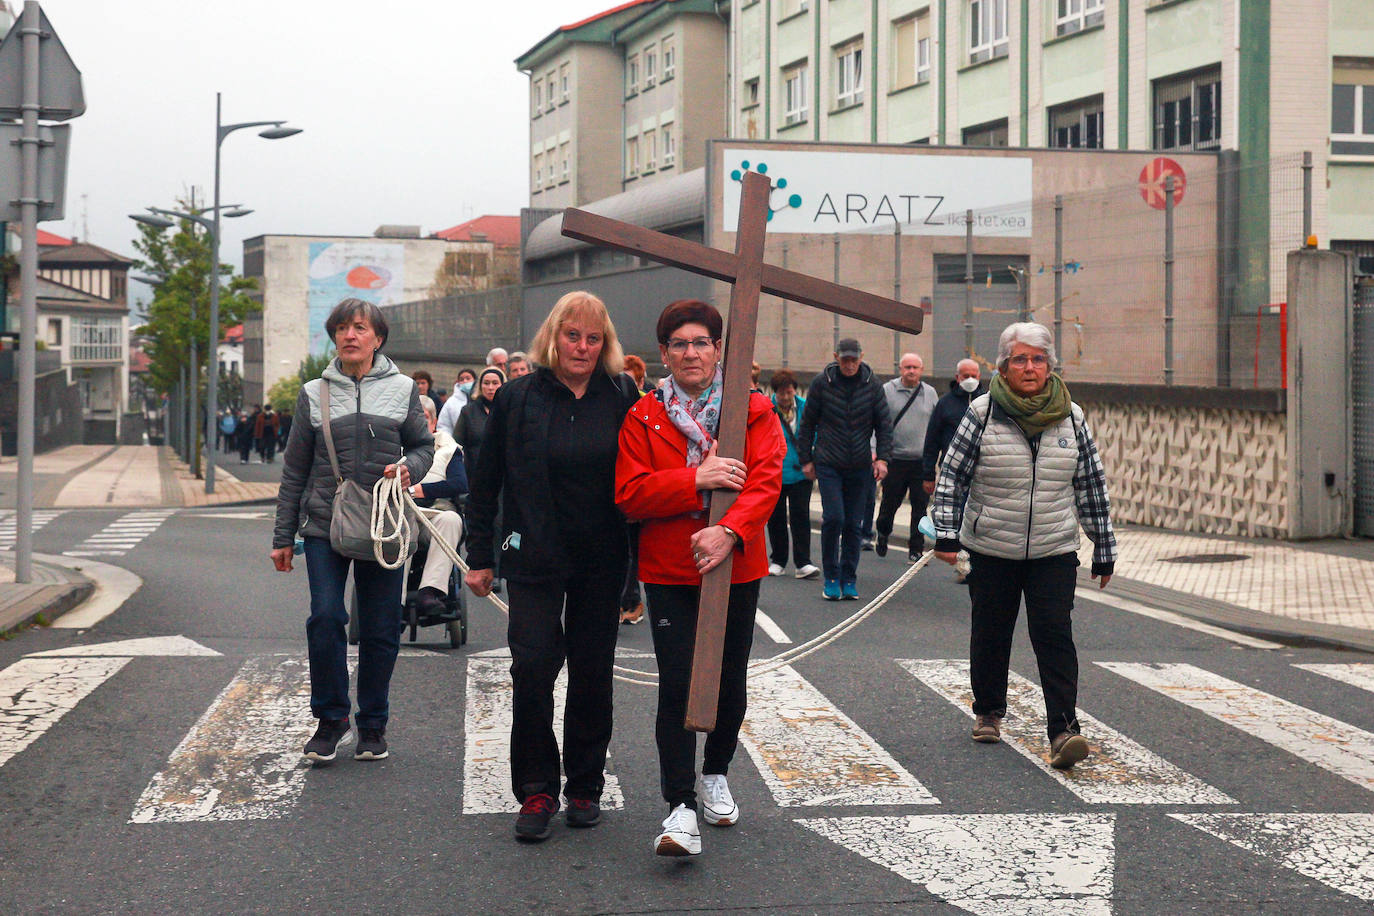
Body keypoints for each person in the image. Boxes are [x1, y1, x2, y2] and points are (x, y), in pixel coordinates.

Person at [463, 291, 638, 843]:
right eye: (572, 335)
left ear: (604, 342)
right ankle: (537, 787)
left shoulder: (622, 395)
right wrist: (480, 556)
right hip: (533, 553)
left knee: (592, 670)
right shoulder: (516, 397)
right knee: (533, 667)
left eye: (593, 338)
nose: (582, 347)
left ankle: (585, 785)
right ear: (553, 337)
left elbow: (639, 482)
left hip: (601, 557)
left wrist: (635, 574)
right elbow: (485, 481)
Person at [615, 299, 783, 858]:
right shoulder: (643, 415)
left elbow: (764, 481)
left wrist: (729, 531)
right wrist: (695, 479)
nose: (691, 353)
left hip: (736, 563)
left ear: (719, 350)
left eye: (701, 342)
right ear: (664, 353)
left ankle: (717, 772)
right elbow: (630, 493)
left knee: (731, 674)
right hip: (669, 568)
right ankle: (679, 805)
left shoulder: (755, 411)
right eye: (679, 344)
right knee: (678, 680)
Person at [931, 322, 1116, 770]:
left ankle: (1063, 730)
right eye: (1020, 359)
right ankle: (989, 711)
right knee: (991, 631)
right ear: (1004, 366)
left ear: (1050, 365)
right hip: (993, 544)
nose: (1029, 368)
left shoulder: (1072, 417)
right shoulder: (981, 413)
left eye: (1037, 359)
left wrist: (1103, 545)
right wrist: (947, 533)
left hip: (1053, 548)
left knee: (1054, 635)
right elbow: (952, 476)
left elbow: (1090, 483)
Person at [270, 298, 434, 765]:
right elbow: (294, 470)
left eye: (360, 328)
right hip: (324, 522)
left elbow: (423, 446)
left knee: (382, 628)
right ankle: (330, 719)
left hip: (384, 523)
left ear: (377, 338)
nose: (350, 335)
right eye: (342, 328)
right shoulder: (312, 393)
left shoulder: (402, 389)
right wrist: (283, 536)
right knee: (325, 618)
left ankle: (373, 724)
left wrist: (409, 468)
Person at [797, 338, 892, 601]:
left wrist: (883, 458)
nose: (849, 364)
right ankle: (831, 575)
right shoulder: (821, 383)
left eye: (854, 359)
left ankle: (849, 577)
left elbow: (884, 425)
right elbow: (807, 424)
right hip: (828, 463)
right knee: (834, 518)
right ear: (836, 357)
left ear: (861, 357)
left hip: (860, 465)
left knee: (854, 523)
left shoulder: (872, 385)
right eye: (845, 359)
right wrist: (806, 459)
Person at [409, 394, 469, 619]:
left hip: (435, 513)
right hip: (404, 513)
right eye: (415, 417)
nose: (421, 422)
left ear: (433, 421)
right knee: (400, 525)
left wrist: (420, 491)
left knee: (451, 520)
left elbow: (459, 483)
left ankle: (430, 592)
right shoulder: (394, 446)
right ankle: (392, 596)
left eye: (425, 417)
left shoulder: (448, 449)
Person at [875, 353, 938, 561]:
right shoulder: (887, 391)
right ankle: (883, 532)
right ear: (900, 369)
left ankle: (916, 549)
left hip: (921, 461)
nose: (911, 371)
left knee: (920, 507)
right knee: (890, 504)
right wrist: (877, 452)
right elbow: (879, 424)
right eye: (907, 367)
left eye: (915, 367)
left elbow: (937, 426)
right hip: (895, 459)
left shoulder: (930, 393)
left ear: (921, 370)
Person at [766, 369, 819, 579]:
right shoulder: (766, 409)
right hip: (774, 472)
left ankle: (803, 562)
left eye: (789, 393)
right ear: (775, 392)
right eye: (781, 394)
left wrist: (811, 460)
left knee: (800, 516)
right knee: (776, 517)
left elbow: (814, 434)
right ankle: (778, 560)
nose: (786, 398)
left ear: (794, 391)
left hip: (801, 471)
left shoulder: (806, 408)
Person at [922, 358, 986, 496]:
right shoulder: (945, 403)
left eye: (973, 376)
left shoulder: (987, 402)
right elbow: (932, 441)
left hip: (981, 473)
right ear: (958, 377)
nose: (970, 380)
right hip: (951, 471)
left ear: (979, 376)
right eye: (966, 376)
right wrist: (928, 475)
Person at [454, 367, 504, 484]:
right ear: (480, 386)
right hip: (475, 473)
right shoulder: (468, 411)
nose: (490, 388)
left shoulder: (509, 410)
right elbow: (456, 444)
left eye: (495, 383)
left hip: (503, 474)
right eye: (486, 383)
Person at [436, 367, 476, 435]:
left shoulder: (481, 399)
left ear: (475, 380)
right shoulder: (451, 402)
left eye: (468, 378)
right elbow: (444, 425)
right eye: (461, 379)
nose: (465, 381)